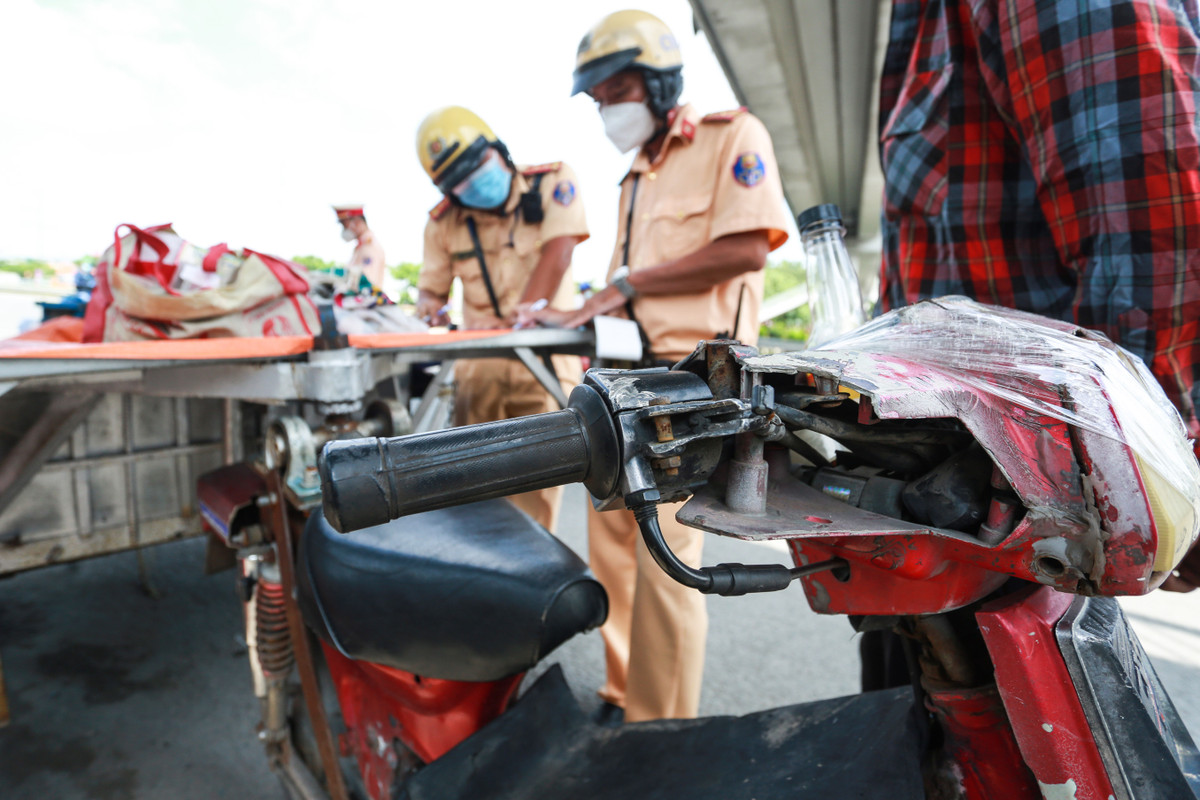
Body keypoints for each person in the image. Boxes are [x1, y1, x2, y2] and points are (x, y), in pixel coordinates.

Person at [874, 0, 1200, 594]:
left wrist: (1158, 483)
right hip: (949, 498)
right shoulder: (930, 25)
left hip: (1044, 502)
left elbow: (1144, 219)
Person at [530, 10, 790, 722]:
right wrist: (579, 315)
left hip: (691, 384)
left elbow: (747, 248)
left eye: (617, 90)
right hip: (625, 378)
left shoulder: (730, 136)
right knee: (611, 540)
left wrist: (631, 285)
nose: (608, 108)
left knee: (665, 560)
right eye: (599, 98)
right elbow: (619, 281)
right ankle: (621, 692)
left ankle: (659, 724)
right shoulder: (632, 178)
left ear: (659, 80)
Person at [415, 105, 587, 532]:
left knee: (540, 485)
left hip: (544, 362)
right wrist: (426, 308)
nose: (472, 184)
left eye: (477, 167)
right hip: (481, 368)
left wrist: (522, 320)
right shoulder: (442, 222)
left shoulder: (551, 180)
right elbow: (431, 292)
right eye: (457, 182)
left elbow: (559, 249)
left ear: (499, 150)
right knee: (475, 485)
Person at [332, 205, 386, 291]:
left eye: (344, 224)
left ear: (356, 221)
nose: (344, 229)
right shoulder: (360, 246)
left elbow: (367, 283)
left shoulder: (369, 246)